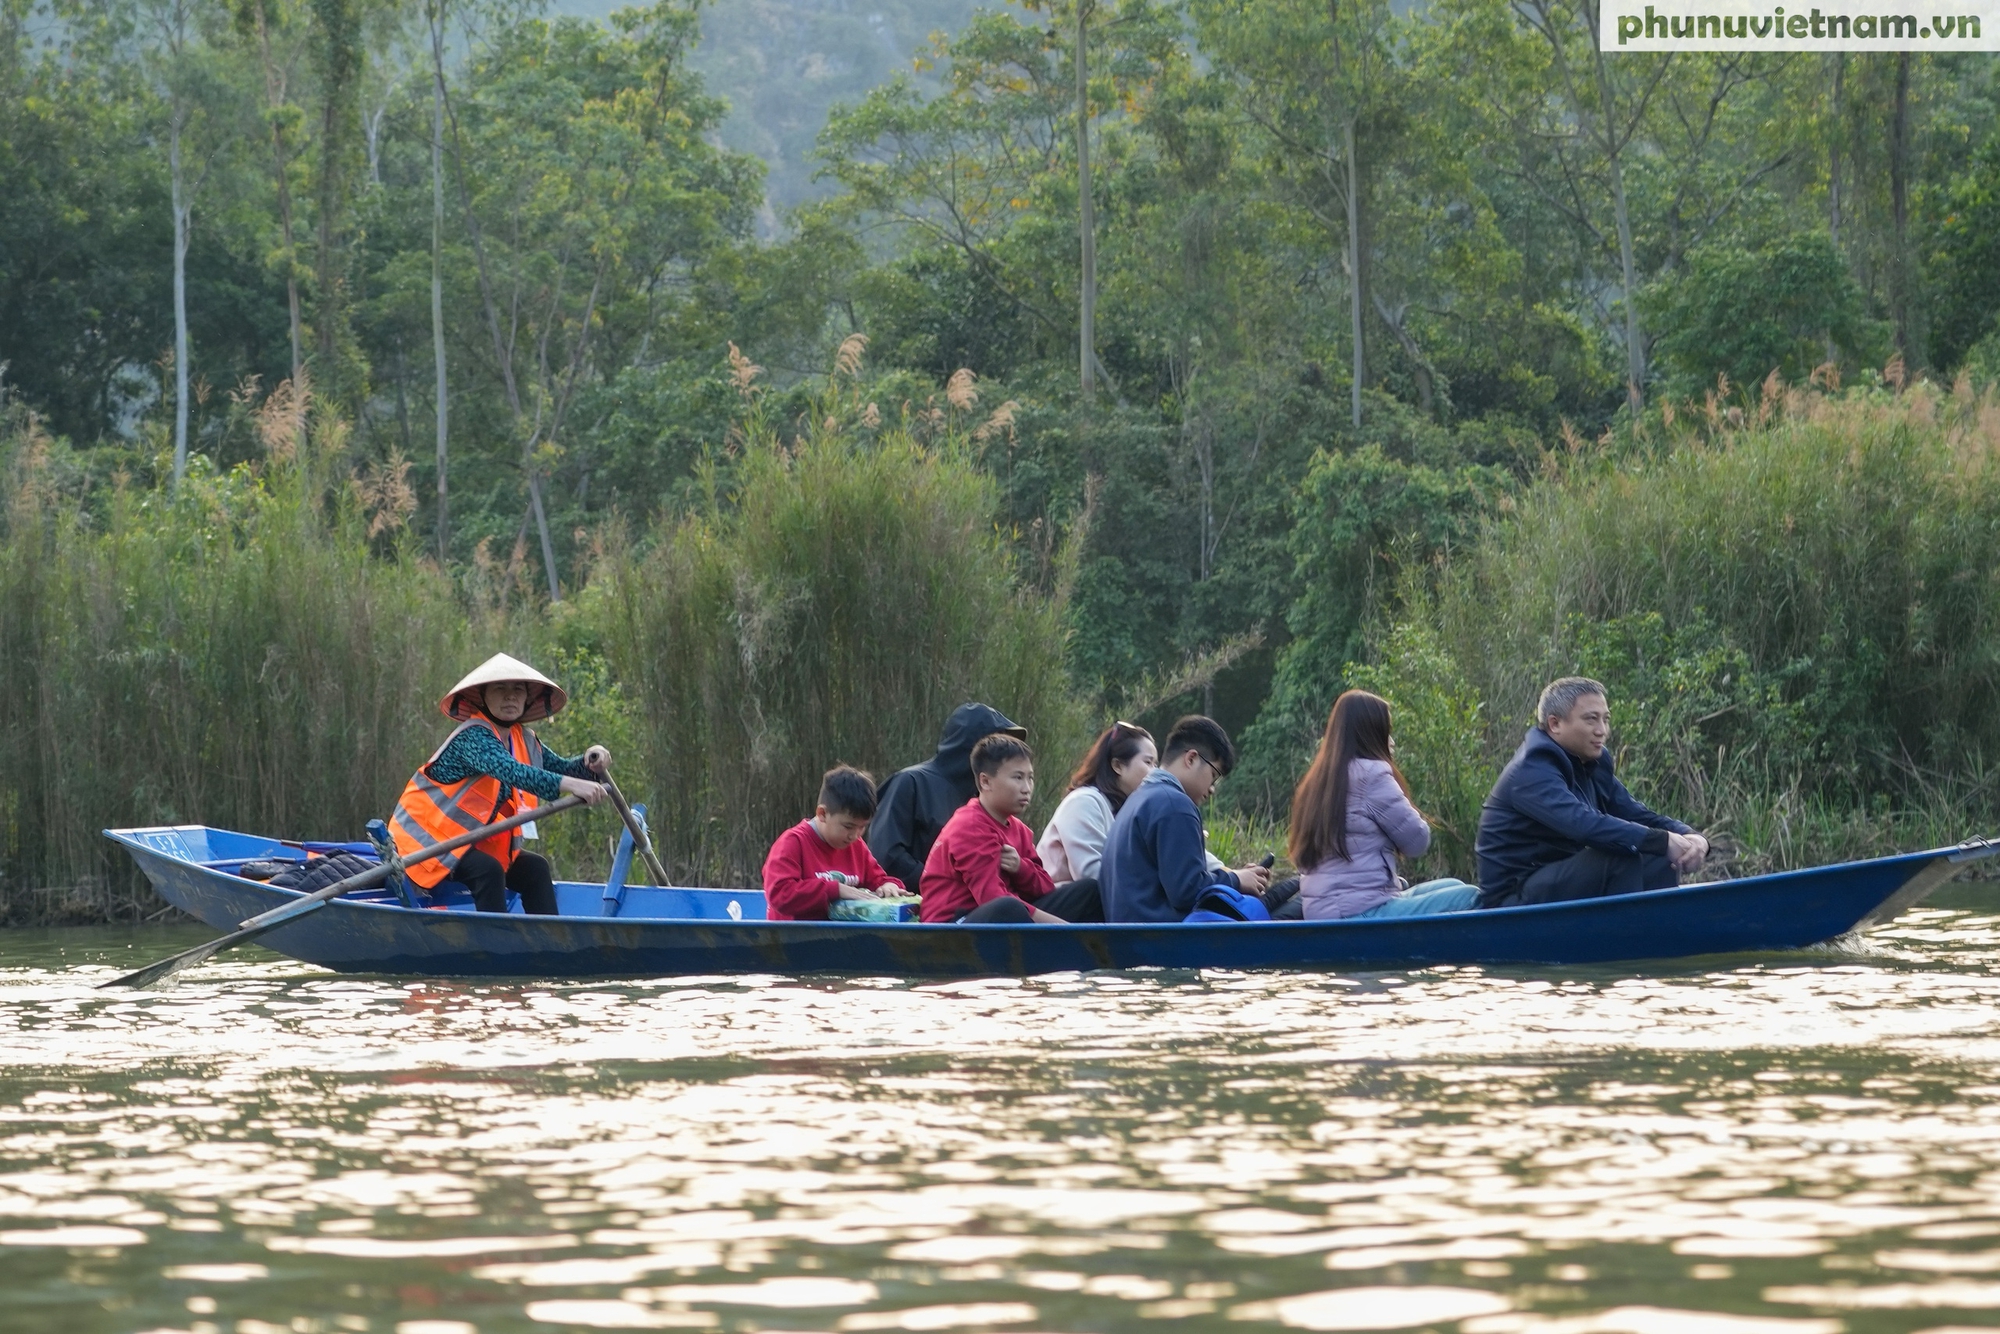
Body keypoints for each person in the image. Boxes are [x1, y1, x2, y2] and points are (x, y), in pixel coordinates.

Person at [388, 653, 610, 915]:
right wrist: (573, 784)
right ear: (483, 697)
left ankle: (549, 946)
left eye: (518, 690)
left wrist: (590, 760)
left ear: (528, 698)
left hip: (469, 845)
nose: (510, 696)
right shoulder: (473, 737)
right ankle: (495, 946)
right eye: (500, 689)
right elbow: (512, 771)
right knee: (488, 869)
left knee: (536, 868)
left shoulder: (523, 738)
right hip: (425, 848)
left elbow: (562, 768)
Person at [1475, 676, 1709, 908]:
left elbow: (1634, 813)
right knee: (1618, 855)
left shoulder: (1589, 761)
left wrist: (1690, 836)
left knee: (1658, 856)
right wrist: (1660, 840)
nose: (1602, 731)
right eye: (1591, 720)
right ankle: (1625, 937)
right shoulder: (1531, 770)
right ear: (1555, 724)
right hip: (1514, 896)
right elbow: (1584, 825)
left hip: (1559, 879)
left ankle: (1661, 935)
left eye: (1605, 719)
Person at [1288, 690, 1481, 920]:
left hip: (1328, 911)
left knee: (1453, 884)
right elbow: (1417, 842)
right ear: (1371, 735)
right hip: (1359, 913)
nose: (1392, 741)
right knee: (1470, 897)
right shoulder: (1371, 775)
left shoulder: (1317, 781)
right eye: (1387, 733)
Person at [1100, 715, 1274, 923]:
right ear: (1191, 758)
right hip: (1163, 943)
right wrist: (1236, 880)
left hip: (1130, 939)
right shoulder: (1174, 805)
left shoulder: (1138, 799)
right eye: (1214, 775)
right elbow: (1188, 891)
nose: (1212, 789)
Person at [919, 734, 1105, 924]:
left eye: (1030, 778)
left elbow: (1045, 887)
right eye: (1018, 777)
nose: (1027, 788)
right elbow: (992, 898)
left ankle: (1091, 950)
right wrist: (1064, 928)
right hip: (953, 926)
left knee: (1090, 890)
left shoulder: (1019, 829)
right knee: (1008, 907)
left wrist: (1020, 867)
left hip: (1009, 915)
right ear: (985, 782)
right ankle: (1073, 944)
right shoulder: (970, 826)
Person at [868, 702, 1026, 893]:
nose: (1003, 755)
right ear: (972, 745)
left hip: (982, 904)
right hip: (917, 909)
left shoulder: (986, 799)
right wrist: (943, 885)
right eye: (997, 746)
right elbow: (886, 854)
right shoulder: (910, 783)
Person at [762, 765, 905, 921]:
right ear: (822, 814)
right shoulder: (793, 843)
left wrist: (888, 886)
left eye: (862, 827)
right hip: (794, 940)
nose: (855, 835)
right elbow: (780, 894)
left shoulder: (855, 846)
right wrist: (834, 889)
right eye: (848, 826)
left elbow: (877, 879)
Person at [1037, 721, 1156, 887]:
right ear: (1118, 766)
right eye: (1148, 762)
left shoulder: (1125, 811)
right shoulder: (1083, 802)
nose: (1155, 772)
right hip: (1055, 902)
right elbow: (1090, 873)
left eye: (1155, 764)